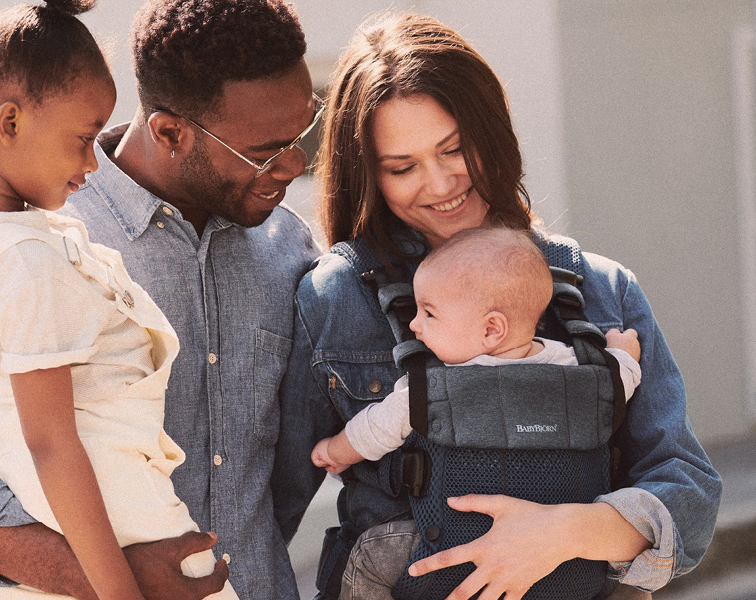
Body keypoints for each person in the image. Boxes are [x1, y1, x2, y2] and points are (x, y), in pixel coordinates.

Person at [0, 2, 321, 599]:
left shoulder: (288, 248)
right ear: (170, 132)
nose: (296, 163)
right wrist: (107, 584)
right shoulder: (27, 237)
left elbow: (291, 465)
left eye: (303, 132)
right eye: (266, 149)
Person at [272, 12, 721, 600]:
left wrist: (561, 534)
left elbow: (686, 488)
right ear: (370, 177)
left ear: (494, 132)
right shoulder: (336, 298)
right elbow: (269, 504)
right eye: (402, 167)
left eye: (454, 149)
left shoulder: (603, 291)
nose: (438, 184)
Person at [310, 226, 642, 477]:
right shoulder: (573, 365)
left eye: (429, 312)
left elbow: (375, 429)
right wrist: (621, 353)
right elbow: (618, 384)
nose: (413, 325)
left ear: (491, 329)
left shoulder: (435, 389)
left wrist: (334, 452)